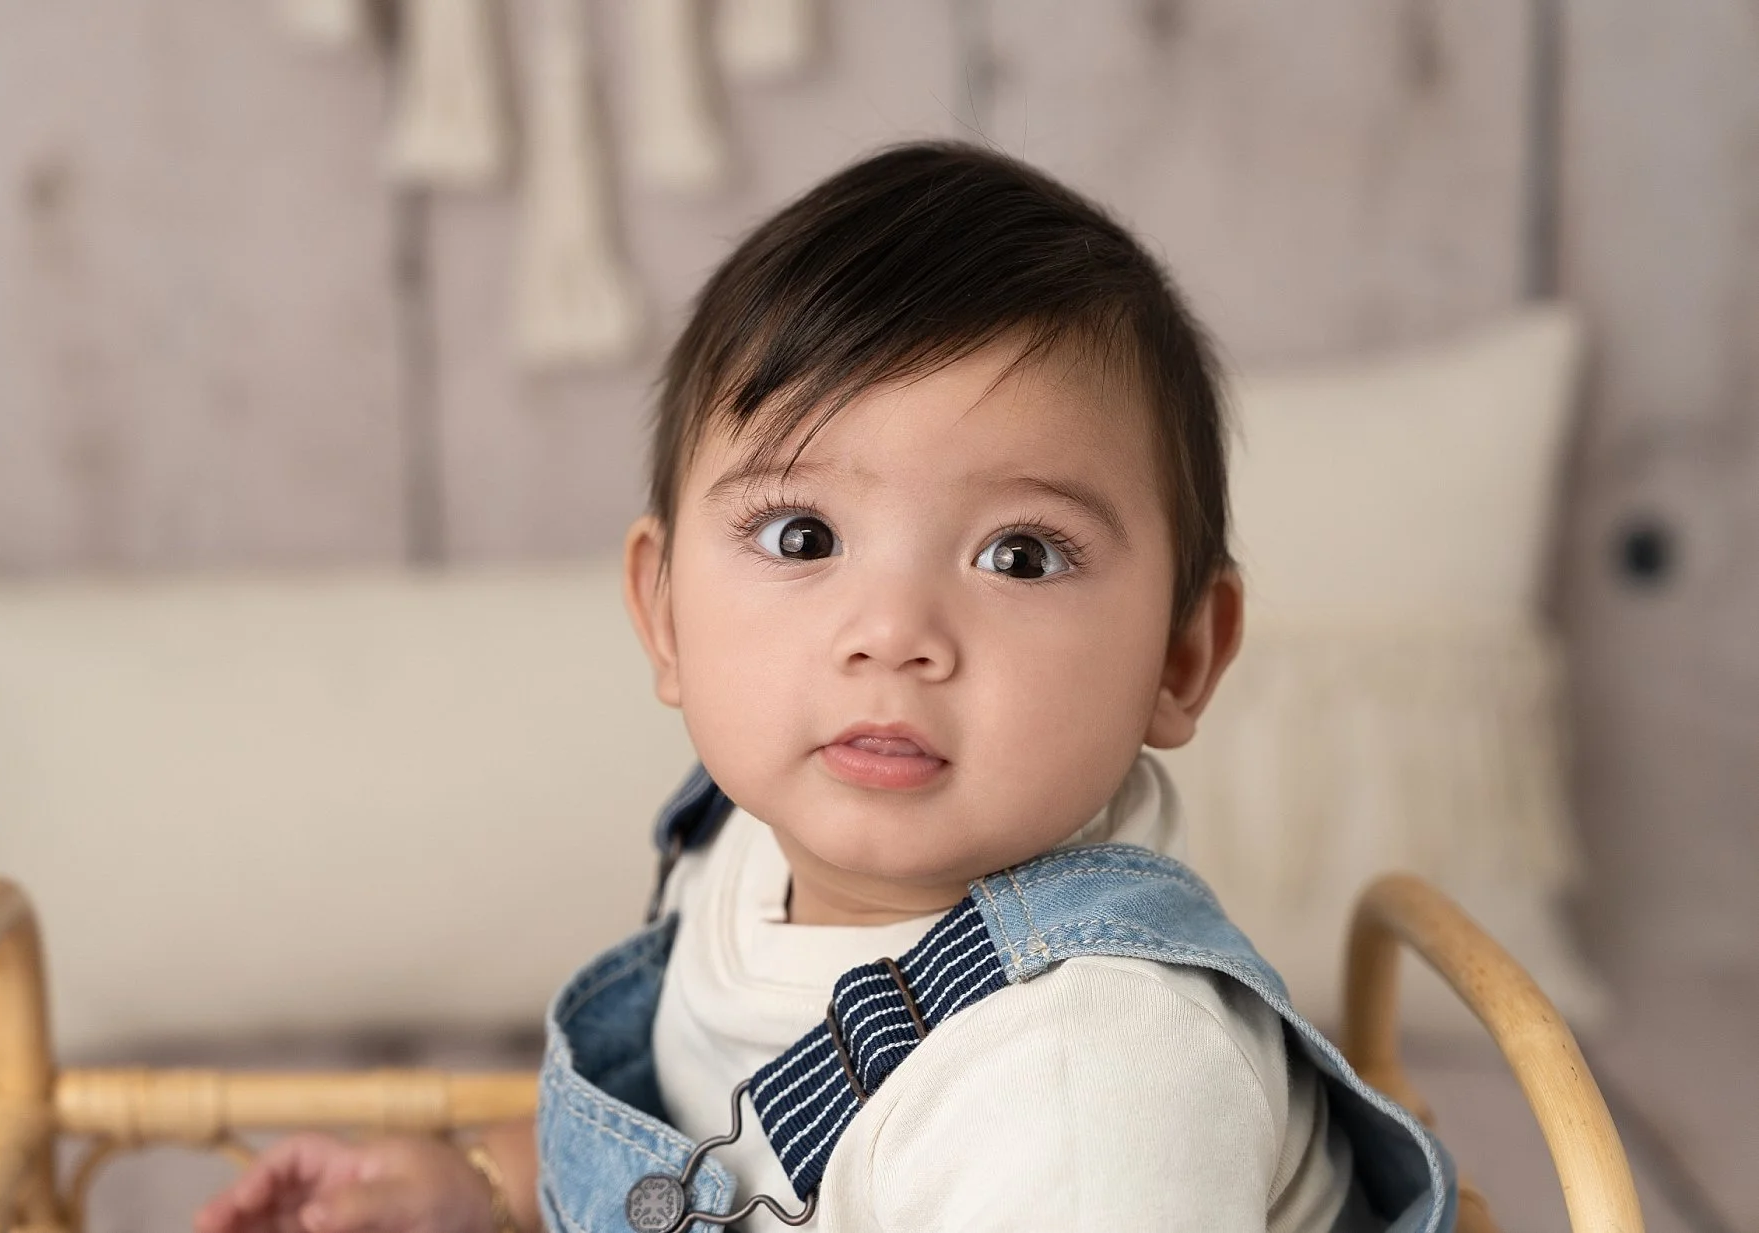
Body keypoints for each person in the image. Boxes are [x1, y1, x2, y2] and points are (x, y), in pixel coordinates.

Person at [197, 142, 1451, 1233]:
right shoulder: (746, 841)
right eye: (802, 538)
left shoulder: (1086, 1081)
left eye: (1019, 555)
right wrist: (482, 1184)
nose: (892, 634)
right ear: (665, 611)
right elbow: (721, 1161)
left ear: (1181, 657)